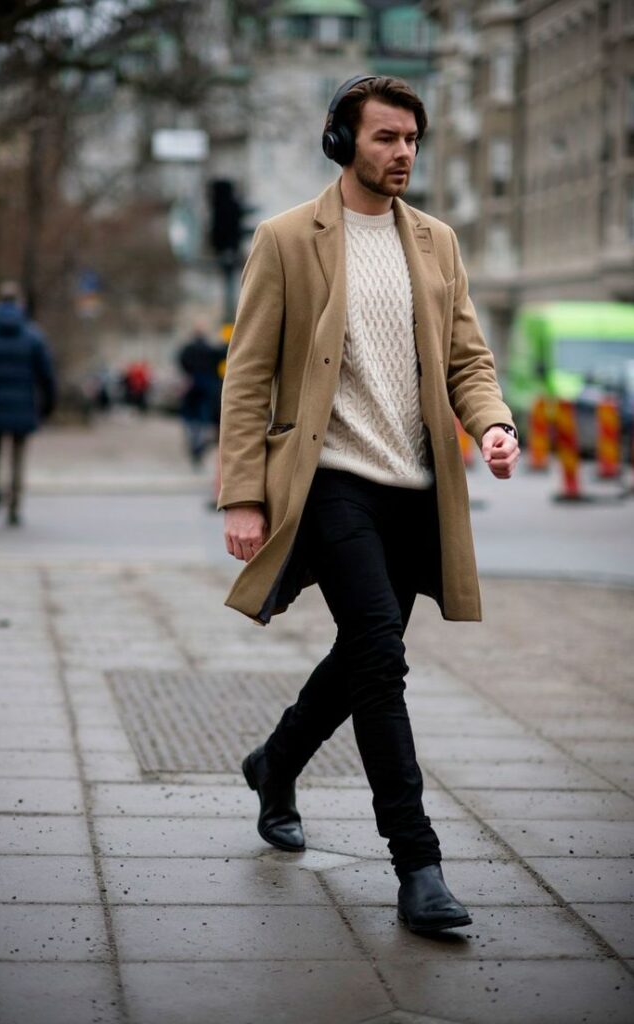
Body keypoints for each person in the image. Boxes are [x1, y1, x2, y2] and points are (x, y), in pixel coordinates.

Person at [218, 76, 520, 934]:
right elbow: (246, 380)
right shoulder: (286, 240)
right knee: (381, 664)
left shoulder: (436, 243)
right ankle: (417, 865)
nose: (402, 155)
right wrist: (243, 496)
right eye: (386, 137)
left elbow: (467, 357)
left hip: (414, 489)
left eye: (412, 140)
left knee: (362, 651)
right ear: (340, 140)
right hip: (329, 481)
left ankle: (274, 764)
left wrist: (491, 425)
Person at [0, 281, 56, 526]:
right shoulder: (33, 336)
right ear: (19, 303)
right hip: (22, 406)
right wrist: (47, 405)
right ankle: (14, 504)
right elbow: (46, 375)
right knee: (18, 455)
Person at [177, 325, 228, 467]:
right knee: (203, 420)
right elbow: (223, 353)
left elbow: (182, 362)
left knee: (191, 420)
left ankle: (194, 443)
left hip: (192, 388)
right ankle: (198, 446)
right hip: (207, 390)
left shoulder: (188, 350)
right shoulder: (209, 350)